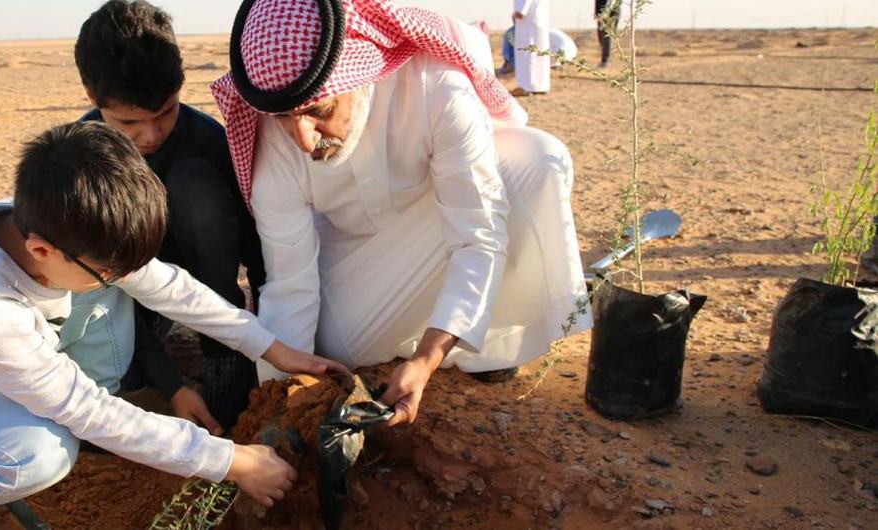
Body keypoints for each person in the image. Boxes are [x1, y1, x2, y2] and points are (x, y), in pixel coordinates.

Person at [0, 121, 346, 529]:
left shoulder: (51, 221)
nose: (121, 277)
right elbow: (86, 410)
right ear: (42, 250)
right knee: (41, 451)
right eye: (109, 270)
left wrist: (272, 348)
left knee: (104, 305)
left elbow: (167, 285)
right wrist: (231, 461)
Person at [213, 0, 591, 428]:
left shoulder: (434, 86)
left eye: (318, 112)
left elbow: (477, 235)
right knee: (331, 348)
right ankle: (440, 328)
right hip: (355, 253)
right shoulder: (273, 139)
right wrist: (280, 404)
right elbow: (289, 281)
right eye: (284, 118)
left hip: (442, 221)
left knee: (539, 161)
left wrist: (427, 359)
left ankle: (487, 347)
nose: (302, 139)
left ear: (361, 74)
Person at [73, 0, 266, 429]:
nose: (151, 135)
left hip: (209, 284)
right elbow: (91, 286)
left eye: (166, 113)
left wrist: (270, 343)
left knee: (196, 183)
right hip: (124, 294)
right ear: (93, 97)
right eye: (129, 123)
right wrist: (168, 383)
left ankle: (223, 360)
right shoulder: (82, 159)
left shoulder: (210, 141)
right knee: (123, 378)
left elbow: (258, 251)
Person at [512, 0, 552, 95]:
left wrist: (521, 10)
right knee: (539, 52)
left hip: (528, 19)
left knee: (528, 52)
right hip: (537, 17)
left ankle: (526, 86)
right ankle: (540, 86)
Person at [596, 0, 622, 68]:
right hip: (600, 14)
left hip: (611, 13)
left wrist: (606, 11)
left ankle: (605, 61)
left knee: (607, 35)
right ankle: (607, 54)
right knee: (602, 37)